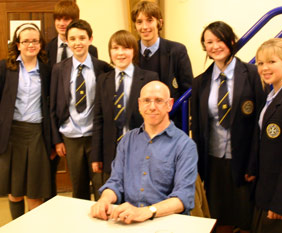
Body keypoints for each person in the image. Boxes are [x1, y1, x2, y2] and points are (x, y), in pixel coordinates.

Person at [191, 21, 267, 233]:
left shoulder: (253, 75)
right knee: (218, 214)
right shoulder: (200, 83)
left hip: (244, 161)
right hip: (213, 160)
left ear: (231, 41)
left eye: (220, 40)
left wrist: (254, 163)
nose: (215, 46)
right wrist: (198, 167)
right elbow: (197, 129)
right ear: (204, 46)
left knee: (245, 217)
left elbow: (260, 125)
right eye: (209, 42)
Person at [90, 81, 198, 224]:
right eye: (147, 101)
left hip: (165, 221)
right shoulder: (127, 140)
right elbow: (115, 182)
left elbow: (183, 197)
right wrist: (104, 200)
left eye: (159, 100)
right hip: (128, 219)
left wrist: (147, 211)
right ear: (139, 104)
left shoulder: (185, 145)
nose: (152, 107)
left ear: (170, 104)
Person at [50, 19, 112, 201]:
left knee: (102, 187)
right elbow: (52, 106)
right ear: (67, 41)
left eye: (82, 38)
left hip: (96, 137)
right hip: (71, 137)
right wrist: (56, 140)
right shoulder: (59, 69)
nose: (77, 42)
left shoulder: (102, 68)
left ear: (90, 39)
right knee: (79, 190)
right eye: (73, 38)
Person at [90, 30, 158, 186]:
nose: (120, 53)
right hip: (110, 152)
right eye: (115, 48)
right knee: (113, 198)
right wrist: (96, 155)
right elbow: (98, 119)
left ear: (133, 51)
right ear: (110, 52)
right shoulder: (103, 80)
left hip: (141, 150)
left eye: (125, 48)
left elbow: (155, 119)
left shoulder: (149, 78)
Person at [0, 23, 52, 219]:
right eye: (26, 41)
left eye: (35, 41)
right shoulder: (5, 68)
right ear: (18, 44)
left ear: (40, 44)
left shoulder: (47, 71)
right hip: (12, 135)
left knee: (35, 193)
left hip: (37, 135)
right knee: (15, 193)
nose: (31, 44)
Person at [248, 38, 282, 233]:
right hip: (265, 192)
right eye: (260, 63)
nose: (264, 68)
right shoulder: (271, 98)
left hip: (280, 202)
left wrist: (281, 203)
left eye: (271, 62)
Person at [131, 0, 193, 127]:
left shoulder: (177, 51)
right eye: (139, 22)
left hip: (171, 124)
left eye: (149, 20)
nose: (144, 27)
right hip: (139, 127)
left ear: (160, 22)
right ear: (135, 25)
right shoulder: (130, 52)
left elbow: (188, 91)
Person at [46, 0, 98, 68]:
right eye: (58, 19)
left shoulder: (90, 50)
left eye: (66, 19)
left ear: (75, 20)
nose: (61, 24)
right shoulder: (47, 48)